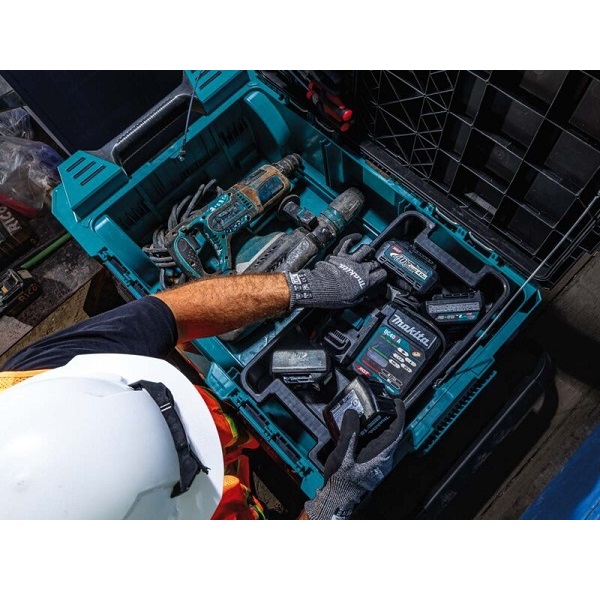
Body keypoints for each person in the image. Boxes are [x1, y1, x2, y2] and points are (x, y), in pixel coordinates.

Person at [0, 234, 405, 519]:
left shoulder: (31, 384)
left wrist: (303, 287)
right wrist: (333, 503)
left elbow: (171, 313)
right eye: (185, 460)